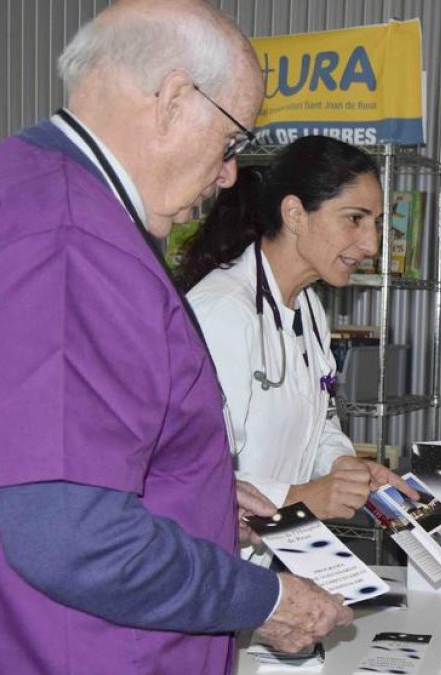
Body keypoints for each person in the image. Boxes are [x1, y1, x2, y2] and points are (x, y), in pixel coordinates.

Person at [0, 2, 352, 673]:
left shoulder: (19, 186)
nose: (228, 175)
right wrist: (262, 598)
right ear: (175, 98)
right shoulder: (68, 240)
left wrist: (203, 500)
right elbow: (70, 535)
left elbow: (53, 457)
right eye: (233, 140)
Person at [174, 137, 417, 565]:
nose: (372, 245)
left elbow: (320, 420)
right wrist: (307, 497)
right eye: (354, 219)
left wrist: (344, 466)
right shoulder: (221, 314)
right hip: (216, 566)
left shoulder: (307, 306)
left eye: (377, 223)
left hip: (280, 551)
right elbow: (191, 478)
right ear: (294, 214)